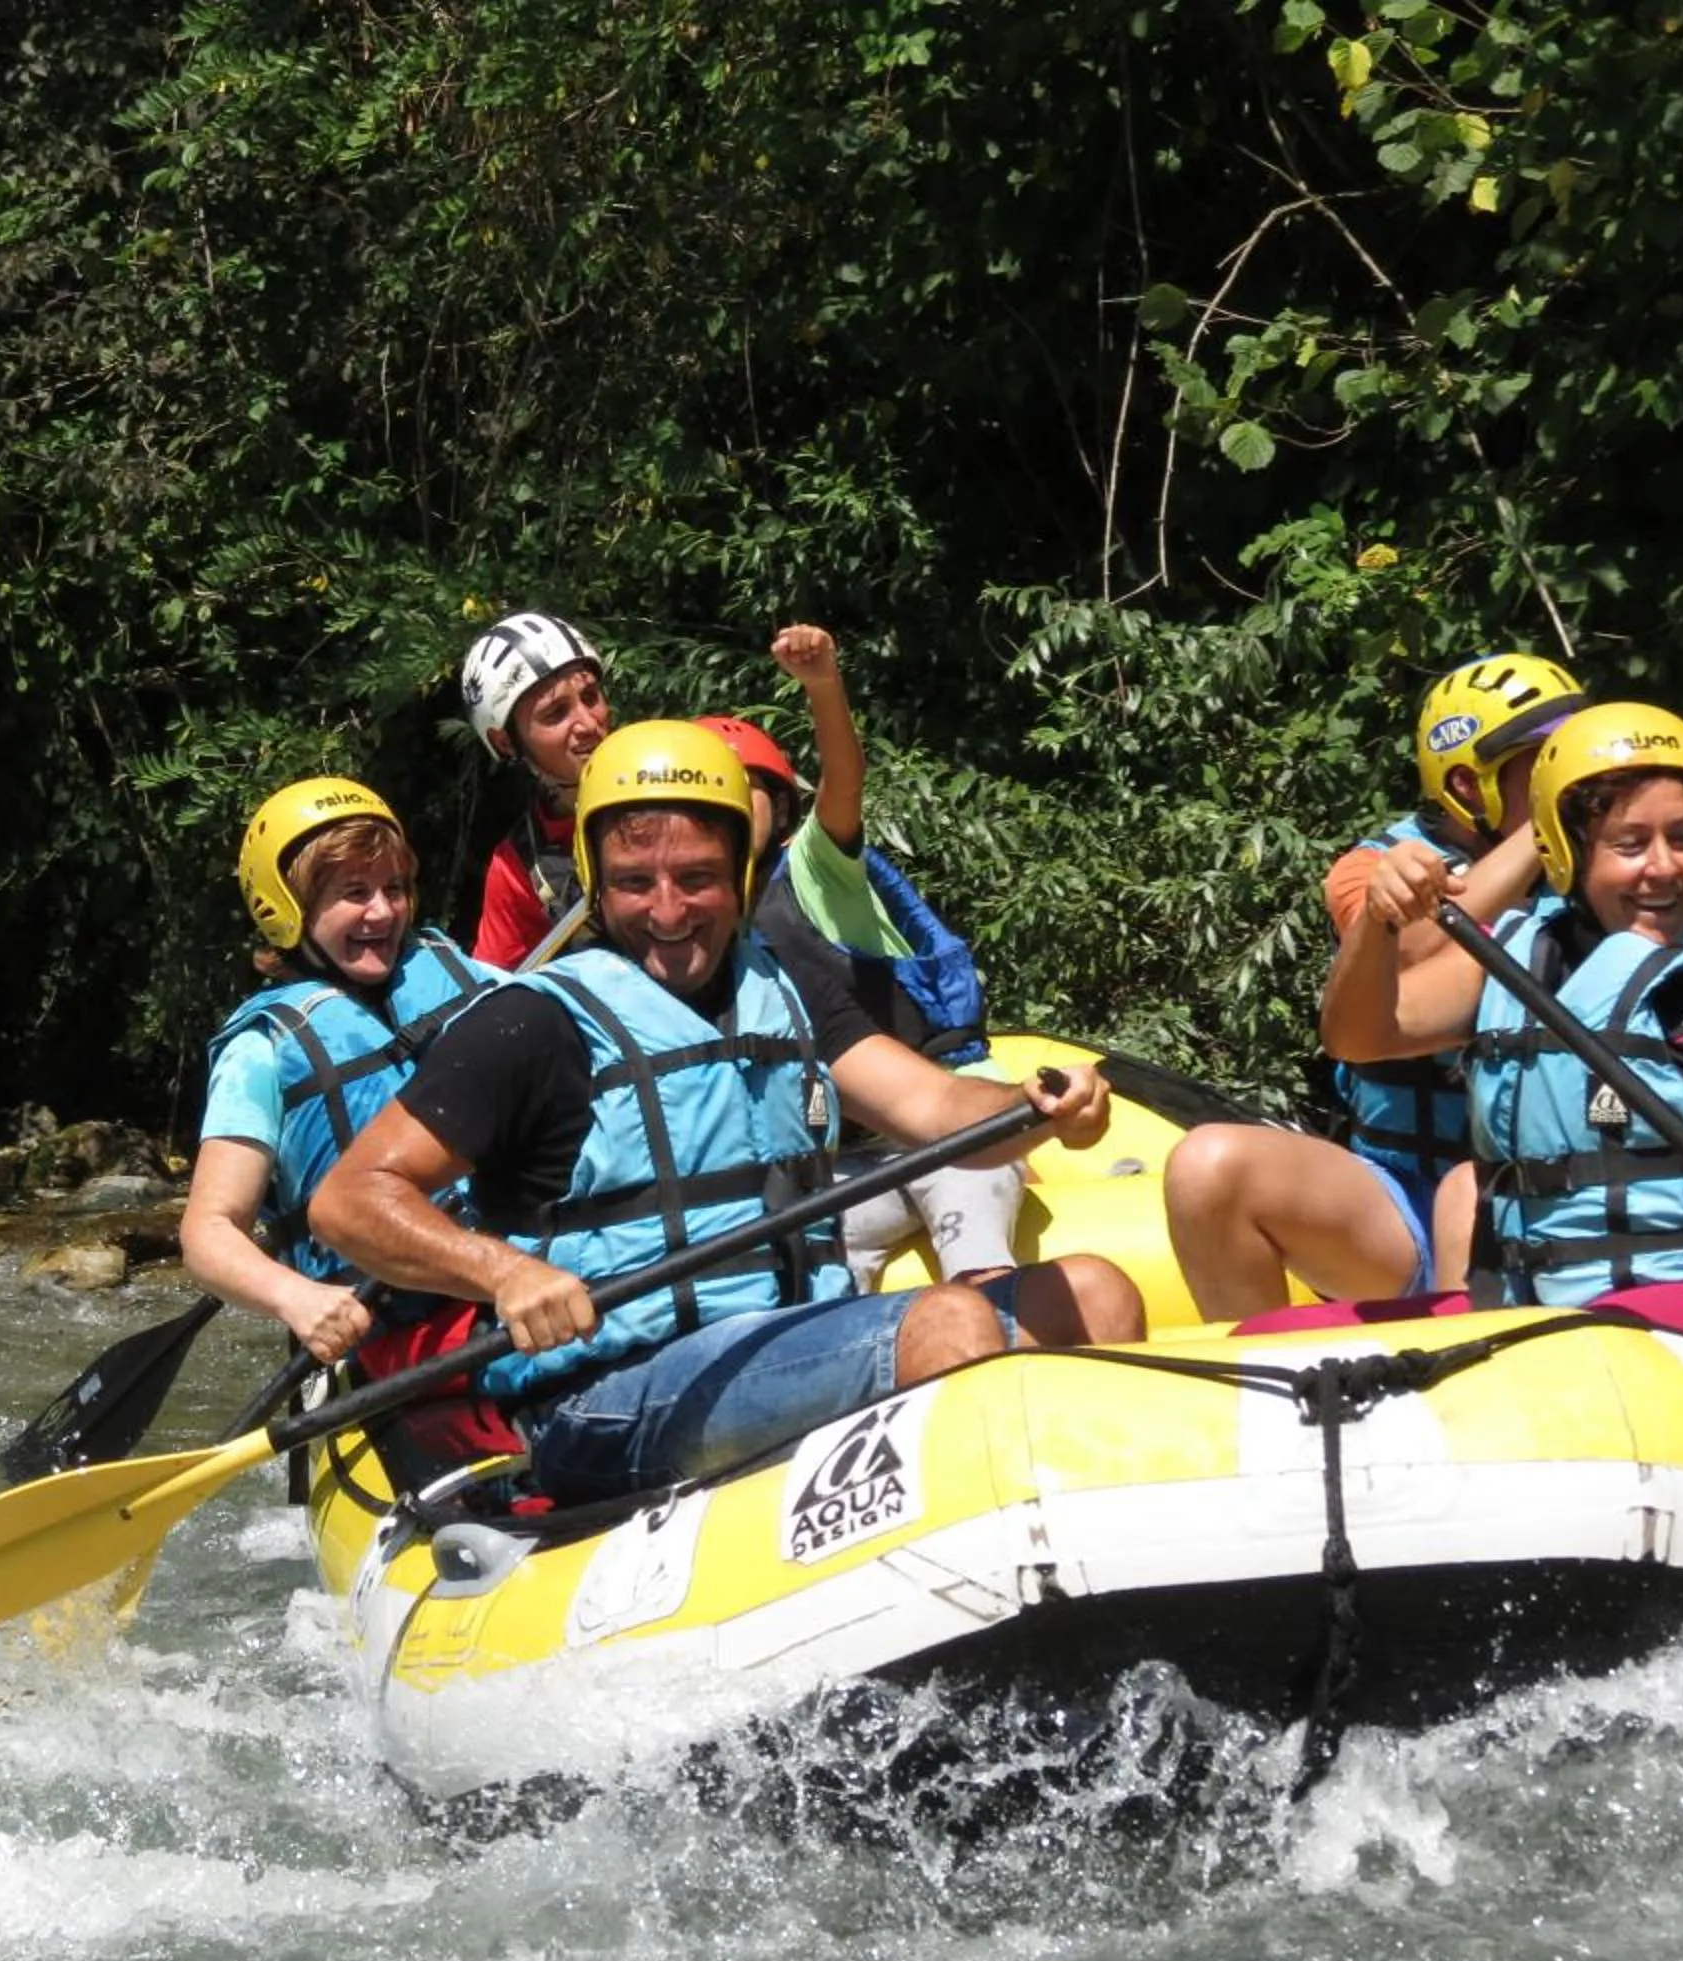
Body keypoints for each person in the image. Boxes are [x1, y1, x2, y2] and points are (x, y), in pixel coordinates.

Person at [310, 721, 1137, 1505]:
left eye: (697, 878)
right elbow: (349, 1202)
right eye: (636, 883)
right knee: (948, 1322)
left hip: (791, 1335)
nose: (668, 912)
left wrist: (1033, 1111)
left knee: (1096, 1293)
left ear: (740, 872)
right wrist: (506, 1273)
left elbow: (938, 1104)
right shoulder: (532, 1023)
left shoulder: (784, 987)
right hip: (607, 1395)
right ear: (598, 882)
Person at [1322, 702, 1683, 1370]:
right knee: (1287, 1342)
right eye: (1630, 845)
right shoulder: (1517, 959)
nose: (1663, 868)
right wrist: (1378, 923)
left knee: (1587, 1346)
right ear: (1567, 851)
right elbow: (1359, 1037)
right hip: (1560, 1316)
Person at [1162, 653, 1586, 1319]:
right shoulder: (1369, 868)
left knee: (1467, 1194)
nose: (1571, 774)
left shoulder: (1604, 870)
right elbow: (1413, 945)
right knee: (1205, 1165)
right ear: (1471, 787)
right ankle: (1261, 1392)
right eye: (1544, 760)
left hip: (1525, 1190)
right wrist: (1543, 827)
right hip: (1392, 1204)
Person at [697, 625, 1042, 1309]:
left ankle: (1002, 1323)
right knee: (809, 1254)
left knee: (969, 1182)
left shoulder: (814, 865)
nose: (733, 808)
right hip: (847, 1154)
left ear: (783, 804)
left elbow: (845, 782)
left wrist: (824, 687)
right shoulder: (697, 924)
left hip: (943, 1111)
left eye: (749, 790)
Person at [180, 779, 494, 1371]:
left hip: (515, 1289)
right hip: (388, 1342)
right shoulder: (262, 1051)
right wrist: (296, 1298)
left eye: (394, 888)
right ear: (286, 911)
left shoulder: (464, 978)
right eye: (355, 892)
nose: (383, 911)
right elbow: (208, 1230)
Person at [457, 611, 614, 966]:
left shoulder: (672, 763)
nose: (589, 724)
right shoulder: (518, 867)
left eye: (590, 697)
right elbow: (496, 994)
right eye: (555, 713)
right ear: (506, 742)